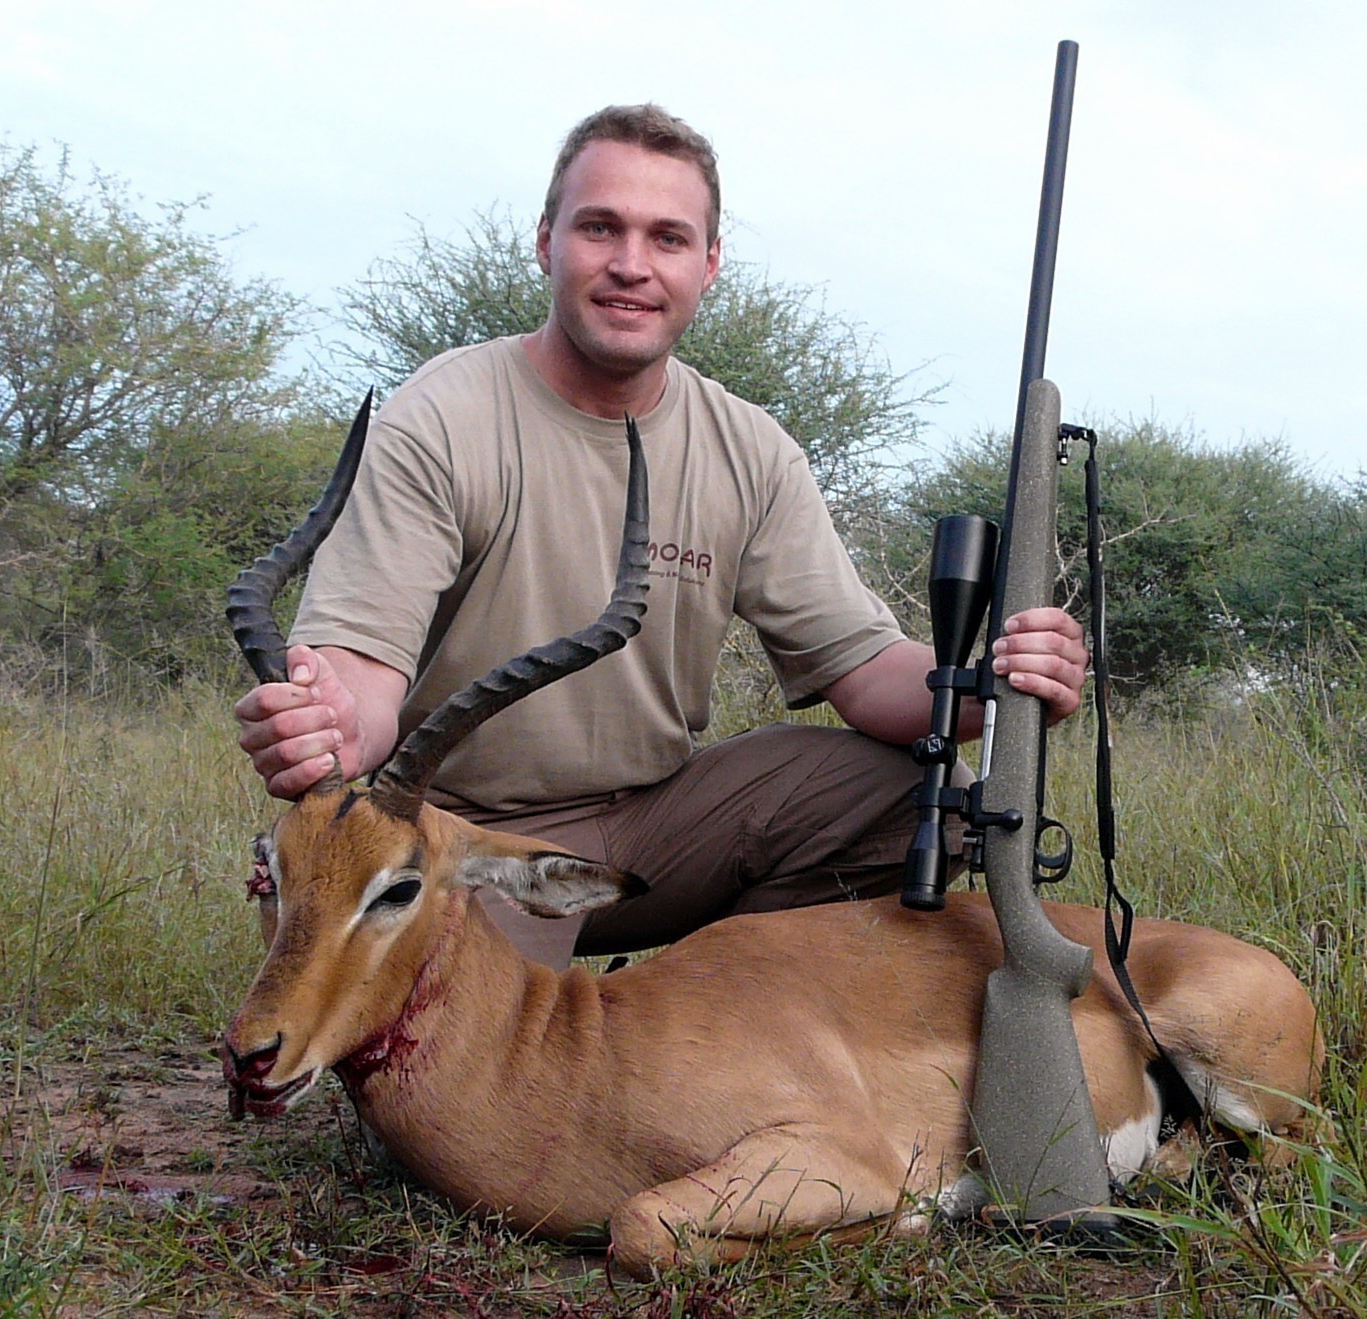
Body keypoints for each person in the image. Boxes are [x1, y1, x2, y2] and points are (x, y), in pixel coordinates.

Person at [234, 104, 1089, 969]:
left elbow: (868, 676)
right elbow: (362, 685)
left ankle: (709, 1014)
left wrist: (1000, 681)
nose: (630, 265)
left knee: (912, 795)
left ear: (709, 263)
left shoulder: (747, 446)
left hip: (654, 826)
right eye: (599, 227)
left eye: (668, 238)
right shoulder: (442, 413)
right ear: (545, 240)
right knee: (454, 1098)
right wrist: (328, 725)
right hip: (459, 843)